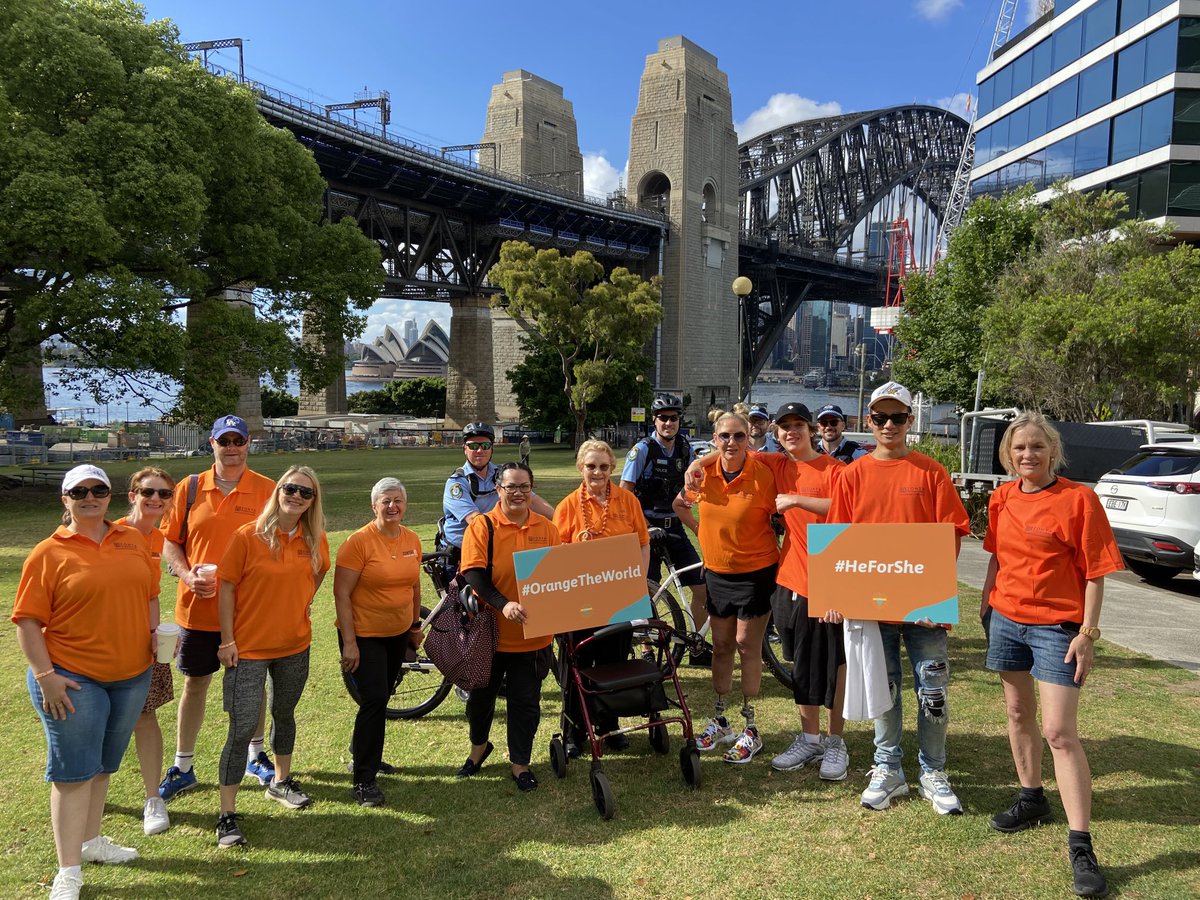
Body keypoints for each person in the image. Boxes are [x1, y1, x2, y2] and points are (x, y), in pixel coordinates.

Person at [980, 413, 1122, 898]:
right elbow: (998, 556)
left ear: (1052, 451)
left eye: (1037, 447)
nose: (1027, 456)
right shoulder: (1001, 497)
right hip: (1005, 619)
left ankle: (1081, 844)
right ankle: (1031, 798)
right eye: (1019, 448)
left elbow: (1096, 570)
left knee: (1059, 732)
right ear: (1007, 454)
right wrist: (985, 606)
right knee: (1018, 713)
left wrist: (1088, 632)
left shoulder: (1079, 499)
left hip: (1058, 628)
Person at [14, 465, 158, 900]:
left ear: (110, 495)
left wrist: (154, 636)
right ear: (66, 500)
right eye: (79, 491)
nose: (90, 497)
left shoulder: (133, 539)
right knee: (74, 774)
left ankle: (92, 842)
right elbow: (27, 621)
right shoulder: (48, 552)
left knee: (102, 767)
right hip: (71, 679)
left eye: (98, 490)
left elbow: (149, 593)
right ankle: (68, 872)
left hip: (131, 675)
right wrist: (46, 678)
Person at [828, 381, 970, 815]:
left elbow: (950, 535)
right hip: (872, 607)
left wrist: (934, 594)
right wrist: (837, 594)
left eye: (898, 417)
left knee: (933, 690)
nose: (889, 425)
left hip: (924, 607)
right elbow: (839, 540)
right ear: (868, 421)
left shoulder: (931, 472)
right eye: (880, 417)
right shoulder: (852, 474)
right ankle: (888, 767)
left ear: (911, 421)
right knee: (884, 689)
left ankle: (934, 771)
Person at [158, 415, 277, 802]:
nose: (231, 447)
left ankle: (256, 756)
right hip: (198, 608)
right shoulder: (189, 488)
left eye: (237, 440)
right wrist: (186, 574)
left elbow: (279, 545)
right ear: (211, 443)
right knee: (195, 684)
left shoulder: (268, 490)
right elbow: (170, 542)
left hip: (249, 612)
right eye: (224, 440)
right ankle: (184, 765)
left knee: (252, 686)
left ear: (248, 444)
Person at [214, 466, 330, 848]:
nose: (296, 496)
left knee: (285, 712)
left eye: (305, 493)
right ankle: (226, 814)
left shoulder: (314, 540)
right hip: (247, 649)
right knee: (242, 727)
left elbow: (317, 575)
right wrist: (227, 640)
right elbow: (226, 588)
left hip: (295, 645)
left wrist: (299, 605)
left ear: (313, 502)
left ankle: (281, 782)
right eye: (290, 488)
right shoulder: (247, 536)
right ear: (278, 490)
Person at [753, 403, 852, 782]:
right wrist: (700, 463)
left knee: (834, 665)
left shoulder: (836, 470)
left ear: (811, 430)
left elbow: (848, 511)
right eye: (784, 427)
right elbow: (735, 451)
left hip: (829, 578)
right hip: (790, 577)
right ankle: (809, 737)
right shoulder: (778, 465)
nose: (791, 432)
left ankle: (835, 741)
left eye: (798, 425)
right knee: (801, 664)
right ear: (776, 434)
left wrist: (796, 499)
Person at [673, 410, 778, 764]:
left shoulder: (765, 471)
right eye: (724, 437)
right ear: (714, 439)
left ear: (750, 436)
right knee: (720, 646)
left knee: (747, 645)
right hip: (717, 572)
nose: (731, 443)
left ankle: (751, 725)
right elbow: (679, 504)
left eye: (739, 436)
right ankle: (721, 718)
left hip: (756, 572)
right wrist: (701, 530)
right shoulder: (702, 473)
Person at [456, 462, 561, 792]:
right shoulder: (483, 526)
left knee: (525, 704)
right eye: (511, 487)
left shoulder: (547, 528)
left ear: (532, 490)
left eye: (524, 487)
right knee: (479, 701)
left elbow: (560, 576)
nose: (517, 493)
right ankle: (478, 749)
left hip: (533, 635)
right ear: (498, 490)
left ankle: (520, 764)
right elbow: (473, 574)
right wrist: (505, 604)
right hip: (490, 633)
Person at [553, 440, 651, 756]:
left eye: (604, 466)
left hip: (618, 599)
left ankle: (609, 728)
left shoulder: (629, 501)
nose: (598, 472)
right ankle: (573, 732)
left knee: (614, 664)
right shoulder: (567, 506)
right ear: (581, 467)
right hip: (578, 600)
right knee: (577, 664)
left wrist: (638, 584)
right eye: (591, 466)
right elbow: (554, 556)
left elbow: (643, 544)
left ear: (613, 468)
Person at [333, 477, 423, 808]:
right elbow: (341, 593)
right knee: (374, 699)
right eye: (386, 501)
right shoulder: (358, 542)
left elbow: (413, 586)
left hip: (397, 632)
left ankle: (363, 753)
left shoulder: (411, 538)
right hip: (364, 634)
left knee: (382, 695)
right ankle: (364, 779)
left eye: (398, 500)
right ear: (374, 506)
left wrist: (415, 625)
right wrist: (350, 642)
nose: (392, 506)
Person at [620, 394, 710, 665]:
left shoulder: (685, 448)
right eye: (663, 418)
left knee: (701, 587)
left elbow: (694, 485)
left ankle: (696, 645)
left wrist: (691, 503)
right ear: (654, 421)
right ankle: (647, 650)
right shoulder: (643, 449)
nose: (668, 423)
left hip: (675, 527)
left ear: (680, 421)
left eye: (674, 418)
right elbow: (626, 494)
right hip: (646, 529)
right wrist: (645, 527)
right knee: (644, 591)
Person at [115, 467, 178, 836]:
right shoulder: (111, 533)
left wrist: (155, 633)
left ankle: (153, 798)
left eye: (164, 494)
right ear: (132, 495)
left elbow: (152, 593)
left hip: (144, 641)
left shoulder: (158, 539)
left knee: (145, 715)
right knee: (96, 721)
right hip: (106, 642)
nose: (155, 500)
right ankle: (86, 788)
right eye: (147, 492)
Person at [441, 422, 553, 580]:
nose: (480, 450)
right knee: (466, 603)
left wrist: (559, 519)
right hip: (462, 554)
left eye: (485, 445)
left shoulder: (503, 474)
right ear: (464, 449)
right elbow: (476, 521)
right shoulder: (456, 483)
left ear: (492, 448)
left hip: (495, 550)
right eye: (473, 446)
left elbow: (533, 501)